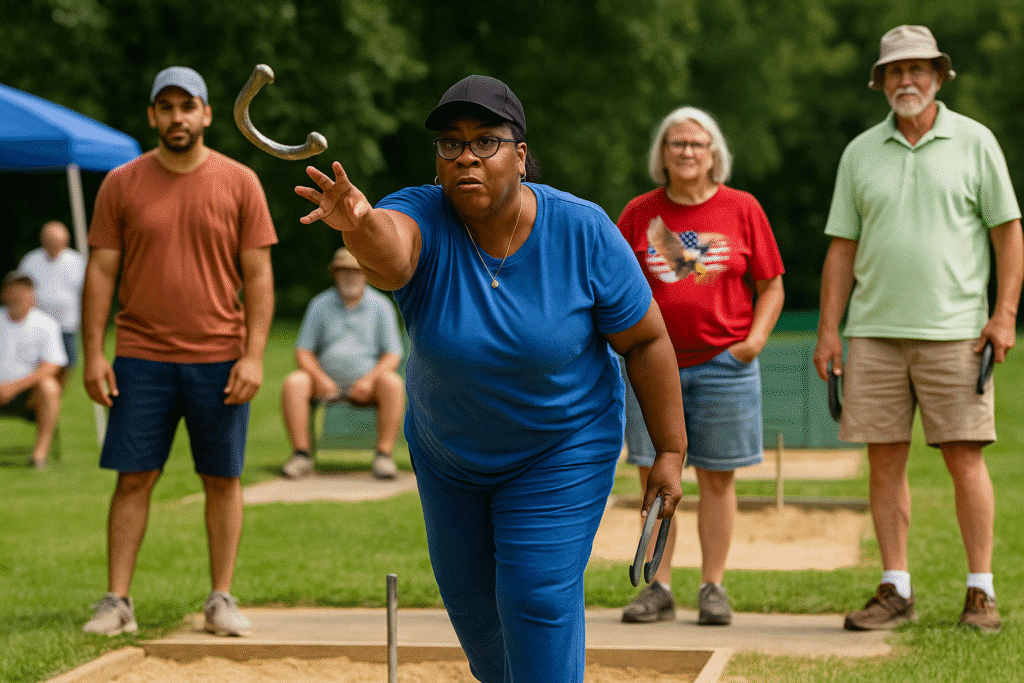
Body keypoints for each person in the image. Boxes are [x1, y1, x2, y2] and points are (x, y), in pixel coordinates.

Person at [295, 74, 686, 682]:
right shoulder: (418, 212)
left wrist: (669, 449)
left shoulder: (582, 231)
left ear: (521, 155)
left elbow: (645, 340)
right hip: (452, 456)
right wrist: (358, 222)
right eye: (450, 145)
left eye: (486, 141)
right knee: (478, 616)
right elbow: (393, 256)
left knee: (535, 597)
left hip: (561, 447)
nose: (466, 157)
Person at [814, 26, 1022, 635]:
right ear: (882, 81)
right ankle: (895, 587)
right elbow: (841, 249)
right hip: (873, 332)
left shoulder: (976, 142)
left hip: (957, 332)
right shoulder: (859, 152)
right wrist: (830, 330)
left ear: (938, 76)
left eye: (919, 69)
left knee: (965, 459)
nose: (908, 80)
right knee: (883, 462)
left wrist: (1003, 314)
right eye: (896, 71)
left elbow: (1007, 233)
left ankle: (980, 591)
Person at [80, 66, 277, 638]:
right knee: (133, 478)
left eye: (187, 106)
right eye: (165, 108)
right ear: (152, 116)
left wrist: (254, 355)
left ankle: (221, 599)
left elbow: (259, 276)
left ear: (207, 114)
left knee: (222, 478)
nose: (177, 118)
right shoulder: (121, 182)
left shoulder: (240, 182)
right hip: (141, 354)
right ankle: (117, 601)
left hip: (220, 356)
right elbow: (101, 270)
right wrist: (95, 353)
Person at [616, 107, 785, 626]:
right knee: (654, 477)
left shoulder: (743, 209)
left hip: (724, 364)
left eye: (697, 144)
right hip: (652, 367)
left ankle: (713, 586)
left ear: (715, 154)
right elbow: (614, 284)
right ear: (661, 155)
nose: (687, 152)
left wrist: (751, 343)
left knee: (717, 479)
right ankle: (658, 587)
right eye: (676, 144)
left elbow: (771, 284)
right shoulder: (640, 214)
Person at [280, 246, 405, 480]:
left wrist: (369, 381)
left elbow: (392, 354)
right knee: (294, 382)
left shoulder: (381, 306)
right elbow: (303, 351)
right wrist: (320, 378)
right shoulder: (320, 304)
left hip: (367, 383)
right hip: (324, 381)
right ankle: (301, 455)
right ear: (335, 274)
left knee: (393, 383)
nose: (350, 277)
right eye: (344, 271)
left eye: (356, 272)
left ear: (366, 274)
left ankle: (384, 456)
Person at [0, 272, 67, 469]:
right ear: (5, 293)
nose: (18, 294)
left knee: (50, 387)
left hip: (28, 394)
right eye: (14, 289)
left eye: (24, 290)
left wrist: (14, 387)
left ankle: (39, 454)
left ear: (33, 295)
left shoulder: (46, 324)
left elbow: (52, 365)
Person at [17, 220, 85, 387]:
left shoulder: (77, 261)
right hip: (37, 324)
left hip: (66, 325)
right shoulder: (31, 260)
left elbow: (86, 292)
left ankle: (55, 394)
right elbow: (21, 289)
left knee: (68, 363)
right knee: (40, 363)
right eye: (49, 241)